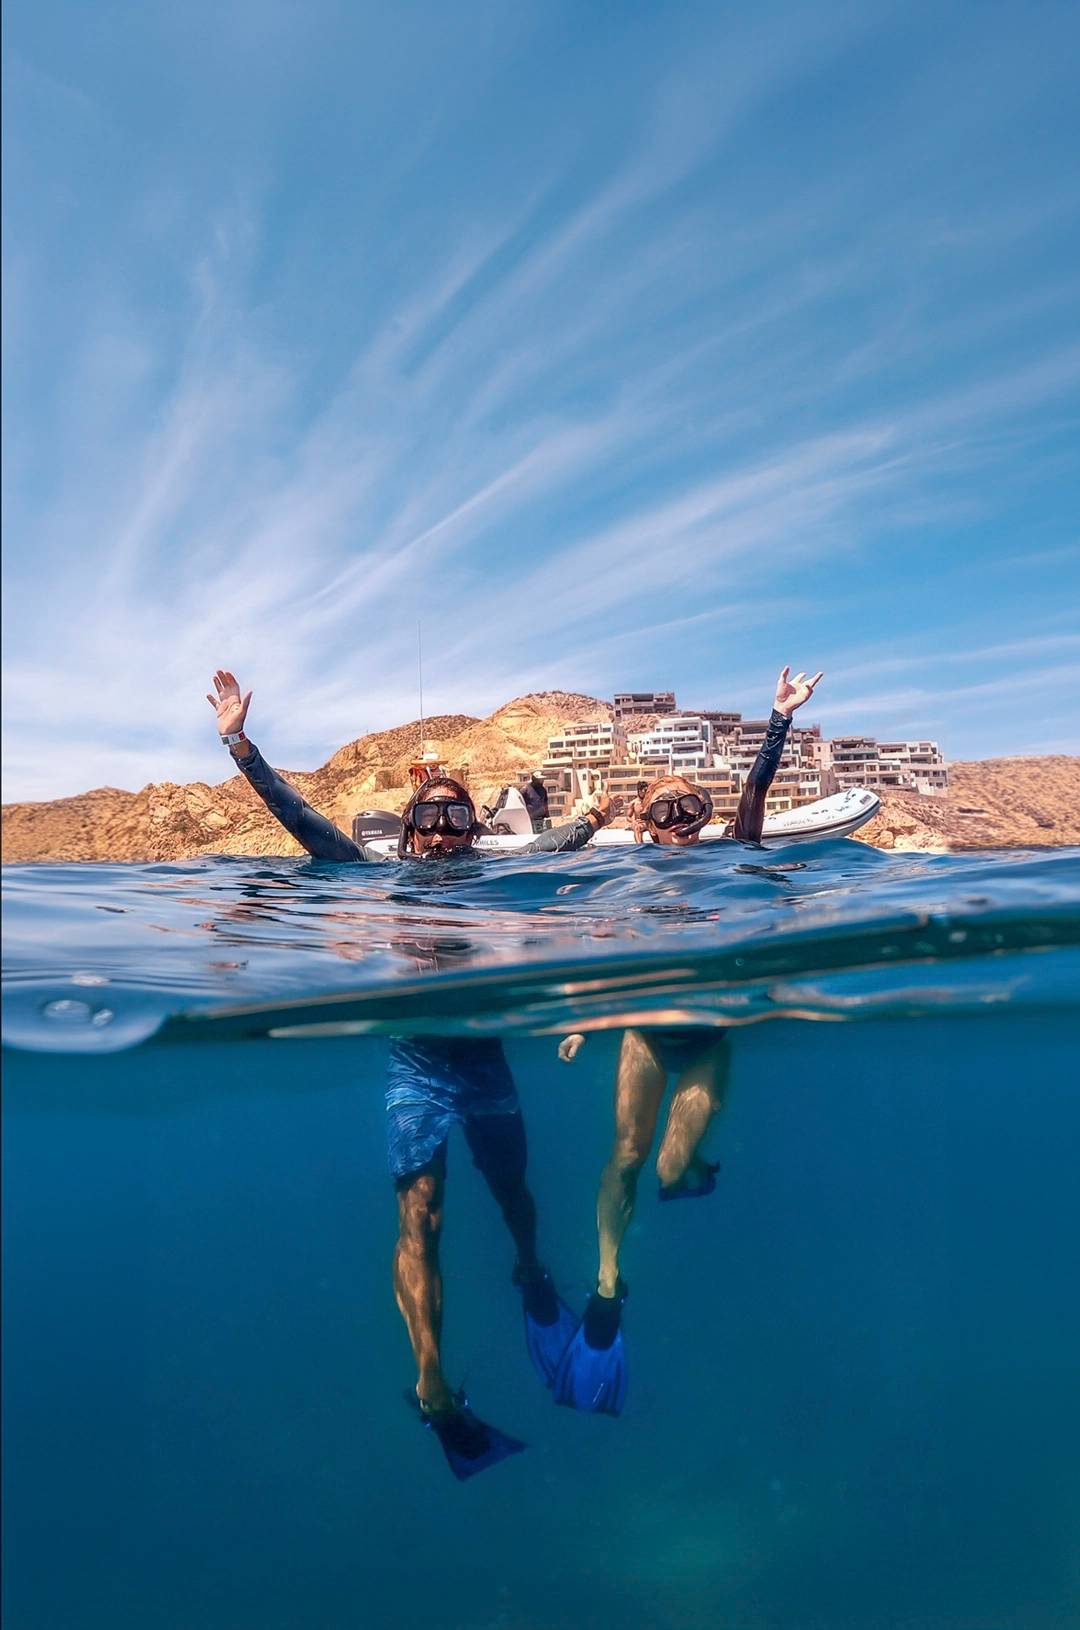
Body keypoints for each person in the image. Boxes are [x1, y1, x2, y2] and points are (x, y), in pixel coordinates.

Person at [205, 669, 602, 1475]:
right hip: (417, 1066)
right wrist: (241, 746)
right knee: (419, 1218)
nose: (449, 830)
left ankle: (531, 1270)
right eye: (435, 816)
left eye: (461, 816)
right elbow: (304, 822)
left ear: (473, 828)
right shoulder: (376, 876)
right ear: (413, 829)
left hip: (485, 1061)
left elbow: (558, 849)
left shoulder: (497, 874)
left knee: (514, 1193)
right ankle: (432, 1387)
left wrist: (591, 820)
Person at [552, 664, 823, 1415]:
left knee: (668, 1171)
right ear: (639, 824)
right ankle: (608, 1283)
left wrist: (778, 720)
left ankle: (693, 1171)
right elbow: (587, 943)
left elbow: (756, 797)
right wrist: (581, 1016)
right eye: (662, 807)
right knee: (628, 1158)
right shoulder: (626, 876)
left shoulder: (730, 854)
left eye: (689, 805)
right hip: (645, 1034)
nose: (678, 817)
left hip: (706, 1039)